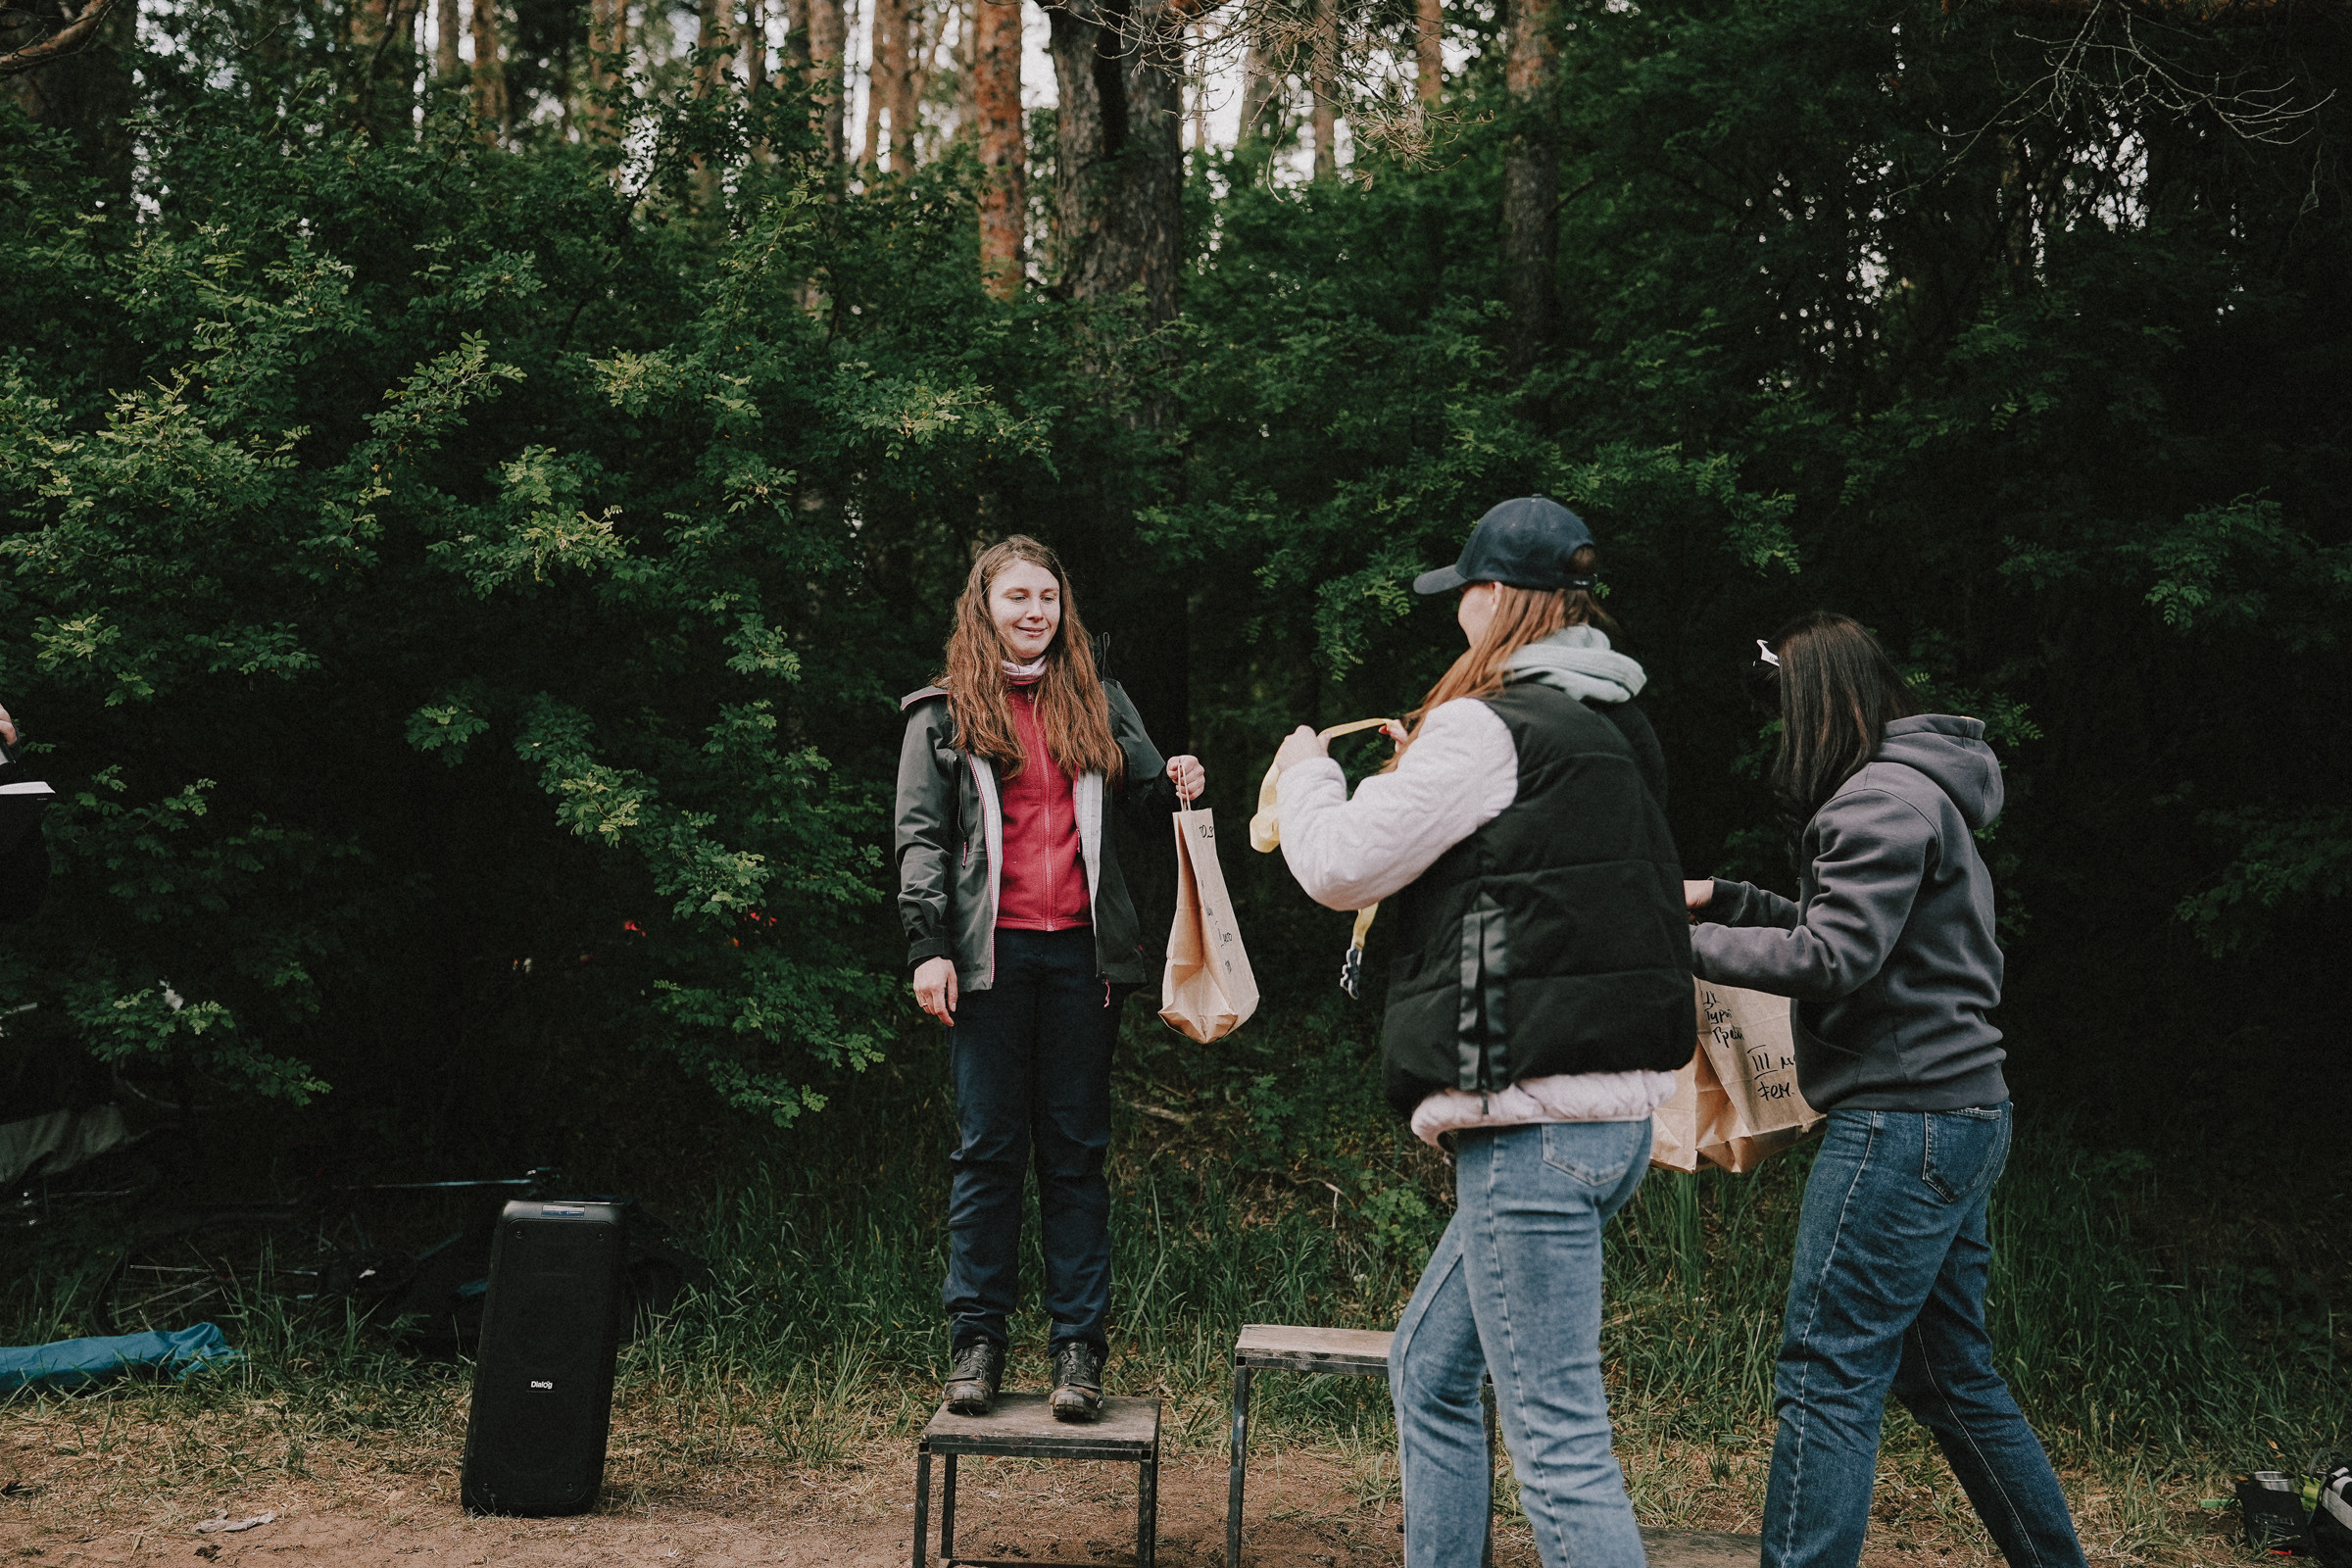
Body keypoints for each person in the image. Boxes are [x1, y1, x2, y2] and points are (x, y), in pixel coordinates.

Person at [1273, 497, 1692, 1568]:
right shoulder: (1608, 727)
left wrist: (1309, 771)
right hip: (1610, 1125)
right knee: (1429, 1366)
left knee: (1558, 1441)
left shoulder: (1487, 725)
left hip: (1531, 1128)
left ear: (1498, 597)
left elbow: (1337, 866)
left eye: (1462, 590)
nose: (1455, 609)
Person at [1685, 612, 2086, 1568]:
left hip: (1903, 1123)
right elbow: (1862, 938)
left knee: (1825, 1372)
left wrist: (1670, 942)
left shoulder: (1872, 805)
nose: (1783, 736)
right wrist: (1730, 901)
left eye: (1787, 711)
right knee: (1951, 1378)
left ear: (1820, 703)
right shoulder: (1916, 796)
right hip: (1956, 1114)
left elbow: (1833, 956)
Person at [895, 536, 1204, 1423]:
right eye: (1016, 597)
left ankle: (1078, 1353)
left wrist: (1179, 779)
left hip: (1083, 961)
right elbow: (919, 839)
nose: (1035, 612)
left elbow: (1149, 803)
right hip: (988, 962)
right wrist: (928, 947)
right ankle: (977, 1345)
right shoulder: (943, 712)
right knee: (987, 1154)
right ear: (983, 605)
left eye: (1048, 598)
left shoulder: (1099, 702)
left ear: (1063, 609)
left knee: (1075, 1156)